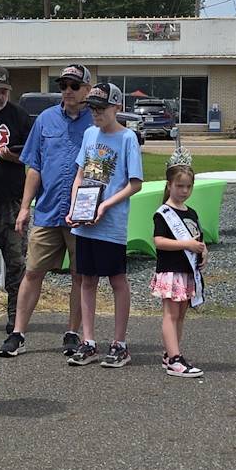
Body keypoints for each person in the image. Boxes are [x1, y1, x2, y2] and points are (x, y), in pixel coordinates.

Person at [0, 64, 92, 359]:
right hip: (48, 211)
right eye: (63, 85)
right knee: (33, 271)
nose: (67, 91)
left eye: (74, 86)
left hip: (82, 216)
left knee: (80, 276)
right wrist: (25, 208)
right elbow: (34, 167)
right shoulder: (46, 120)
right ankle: (18, 333)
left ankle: (73, 332)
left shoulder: (96, 123)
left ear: (87, 89)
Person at [64, 82, 142, 368]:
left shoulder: (127, 139)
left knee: (117, 279)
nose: (96, 113)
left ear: (116, 107)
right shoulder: (89, 134)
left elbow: (134, 183)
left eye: (101, 108)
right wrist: (74, 207)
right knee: (87, 279)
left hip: (111, 223)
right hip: (85, 220)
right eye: (92, 108)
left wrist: (107, 204)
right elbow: (80, 175)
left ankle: (120, 343)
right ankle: (89, 341)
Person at [0, 66, 33, 334]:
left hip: (12, 202)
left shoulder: (20, 116)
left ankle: (16, 318)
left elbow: (34, 155)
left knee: (16, 263)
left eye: (3, 91)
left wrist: (15, 157)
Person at [151, 157, 207, 378]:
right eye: (179, 186)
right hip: (170, 270)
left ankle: (171, 353)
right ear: (169, 185)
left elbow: (198, 238)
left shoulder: (191, 212)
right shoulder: (163, 213)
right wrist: (186, 244)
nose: (184, 191)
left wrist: (203, 251)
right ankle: (175, 359)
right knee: (171, 314)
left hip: (187, 271)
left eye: (188, 186)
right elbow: (159, 241)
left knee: (181, 314)